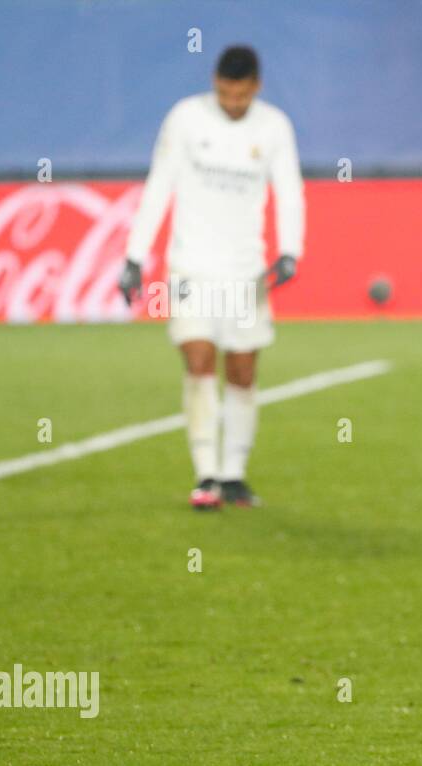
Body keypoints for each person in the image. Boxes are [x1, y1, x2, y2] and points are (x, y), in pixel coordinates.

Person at [119, 44, 304, 509]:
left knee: (242, 371)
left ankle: (234, 474)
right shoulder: (185, 118)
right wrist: (135, 256)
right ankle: (206, 476)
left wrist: (290, 251)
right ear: (214, 83)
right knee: (198, 360)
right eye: (224, 92)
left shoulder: (275, 126)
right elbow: (159, 182)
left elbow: (289, 191)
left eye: (240, 95)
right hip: (189, 267)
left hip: (246, 270)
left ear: (256, 87)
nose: (232, 102)